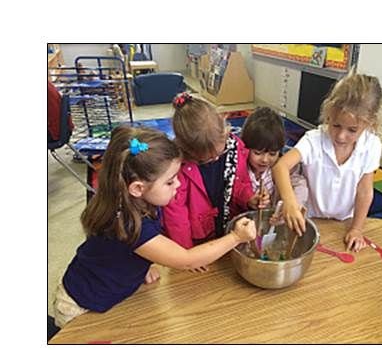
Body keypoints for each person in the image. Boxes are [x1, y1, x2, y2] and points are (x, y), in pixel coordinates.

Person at [52, 127, 256, 328]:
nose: (178, 184)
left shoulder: (136, 201)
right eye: (170, 182)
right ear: (137, 188)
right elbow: (186, 260)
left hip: (107, 292)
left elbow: (120, 251)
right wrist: (236, 237)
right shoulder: (128, 224)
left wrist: (144, 263)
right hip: (79, 306)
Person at [273, 71, 382, 252]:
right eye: (336, 125)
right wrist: (290, 202)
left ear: (370, 123)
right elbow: (280, 166)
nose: (341, 136)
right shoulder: (314, 140)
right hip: (311, 219)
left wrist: (357, 229)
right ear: (329, 114)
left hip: (345, 222)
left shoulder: (372, 146)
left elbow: (364, 191)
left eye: (352, 130)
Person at [164, 93, 265, 248]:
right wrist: (187, 253)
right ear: (188, 151)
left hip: (229, 229)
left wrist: (249, 198)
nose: (216, 159)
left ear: (224, 131)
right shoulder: (176, 170)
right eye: (207, 159)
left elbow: (239, 183)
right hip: (198, 241)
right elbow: (176, 218)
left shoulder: (234, 148)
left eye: (219, 153)